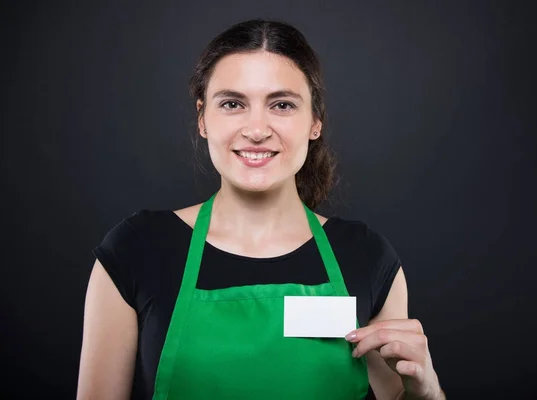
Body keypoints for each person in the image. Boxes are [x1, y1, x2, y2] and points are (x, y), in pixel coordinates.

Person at [77, 19, 445, 400]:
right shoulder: (136, 250)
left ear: (314, 122)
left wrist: (428, 391)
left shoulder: (368, 257)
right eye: (233, 104)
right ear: (203, 118)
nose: (257, 129)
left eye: (282, 105)